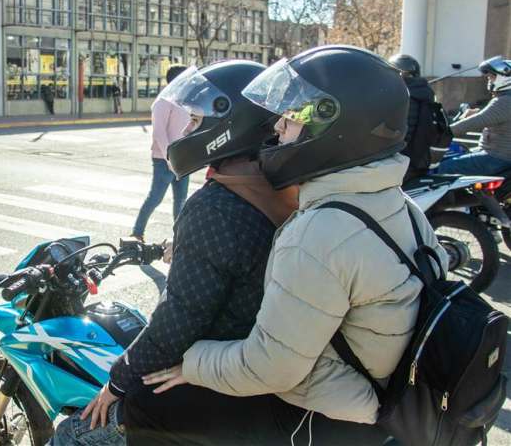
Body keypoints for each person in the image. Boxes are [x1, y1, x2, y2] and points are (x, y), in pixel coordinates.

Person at [127, 46, 449, 445]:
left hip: (334, 418)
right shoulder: (401, 206)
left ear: (336, 127)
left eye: (292, 119)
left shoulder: (320, 231)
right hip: (398, 397)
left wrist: (189, 364)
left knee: (144, 408)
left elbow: (271, 369)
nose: (276, 128)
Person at [50, 60, 300, 446]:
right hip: (257, 377)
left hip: (212, 388)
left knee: (73, 433)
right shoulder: (277, 185)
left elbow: (176, 323)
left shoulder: (214, 206)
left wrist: (116, 382)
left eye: (196, 121)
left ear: (230, 124)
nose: (186, 131)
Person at [130, 65, 190, 240]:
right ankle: (137, 233)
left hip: (183, 158)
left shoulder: (185, 101)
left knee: (181, 201)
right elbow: (159, 133)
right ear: (177, 80)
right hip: (164, 160)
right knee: (155, 198)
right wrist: (169, 156)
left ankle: (178, 237)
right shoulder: (163, 101)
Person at [437, 55, 511, 176]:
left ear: (504, 78)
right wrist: (476, 112)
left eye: (492, 77)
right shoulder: (505, 99)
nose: (489, 81)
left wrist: (441, 133)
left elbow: (474, 123)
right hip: (499, 154)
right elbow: (495, 116)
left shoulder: (505, 101)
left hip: (497, 157)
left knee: (444, 168)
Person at [388, 53, 452, 182]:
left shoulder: (407, 96)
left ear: (399, 73)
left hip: (403, 163)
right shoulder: (423, 92)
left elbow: (401, 135)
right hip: (419, 160)